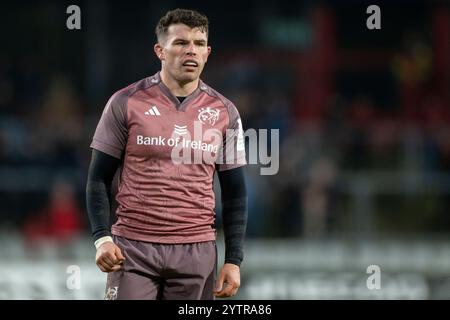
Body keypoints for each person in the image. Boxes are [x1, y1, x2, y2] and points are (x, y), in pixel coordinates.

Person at [86, 8, 248, 300]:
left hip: (196, 252)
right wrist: (102, 239)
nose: (191, 51)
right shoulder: (126, 102)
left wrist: (234, 259)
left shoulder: (225, 112)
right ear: (160, 50)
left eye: (199, 44)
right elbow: (98, 177)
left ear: (208, 52)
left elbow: (235, 191)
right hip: (132, 250)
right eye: (180, 43)